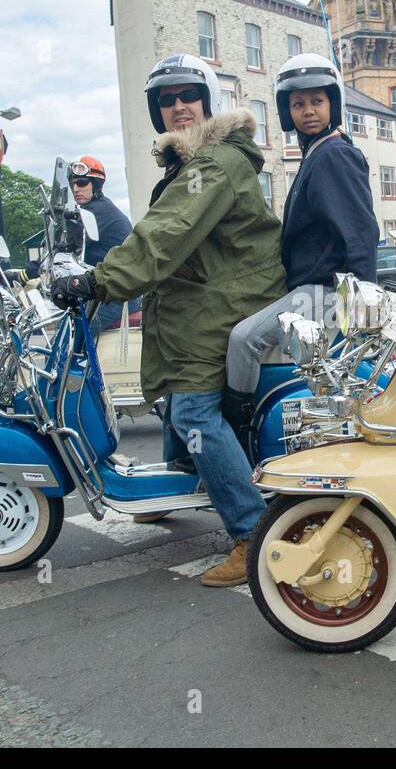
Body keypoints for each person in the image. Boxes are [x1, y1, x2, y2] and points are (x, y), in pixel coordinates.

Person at [51, 52, 285, 588]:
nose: (178, 107)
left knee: (195, 414)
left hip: (224, 305)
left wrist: (97, 282)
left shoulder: (213, 165)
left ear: (208, 101)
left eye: (188, 97)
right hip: (204, 302)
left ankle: (253, 535)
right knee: (176, 403)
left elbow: (165, 233)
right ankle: (176, 487)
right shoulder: (196, 163)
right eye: (167, 100)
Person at [224, 52, 377, 455]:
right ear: (287, 111)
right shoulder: (317, 153)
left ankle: (236, 439)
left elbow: (360, 233)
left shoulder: (334, 155)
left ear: (333, 105)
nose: (307, 111)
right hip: (315, 289)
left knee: (243, 340)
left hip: (327, 291)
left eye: (316, 101)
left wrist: (363, 309)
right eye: (298, 104)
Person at [66, 155, 136, 336]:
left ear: (96, 185)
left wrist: (29, 273)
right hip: (110, 289)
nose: (76, 189)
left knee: (75, 334)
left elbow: (68, 245)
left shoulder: (97, 212)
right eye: (73, 183)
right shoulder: (90, 210)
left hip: (119, 295)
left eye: (82, 183)